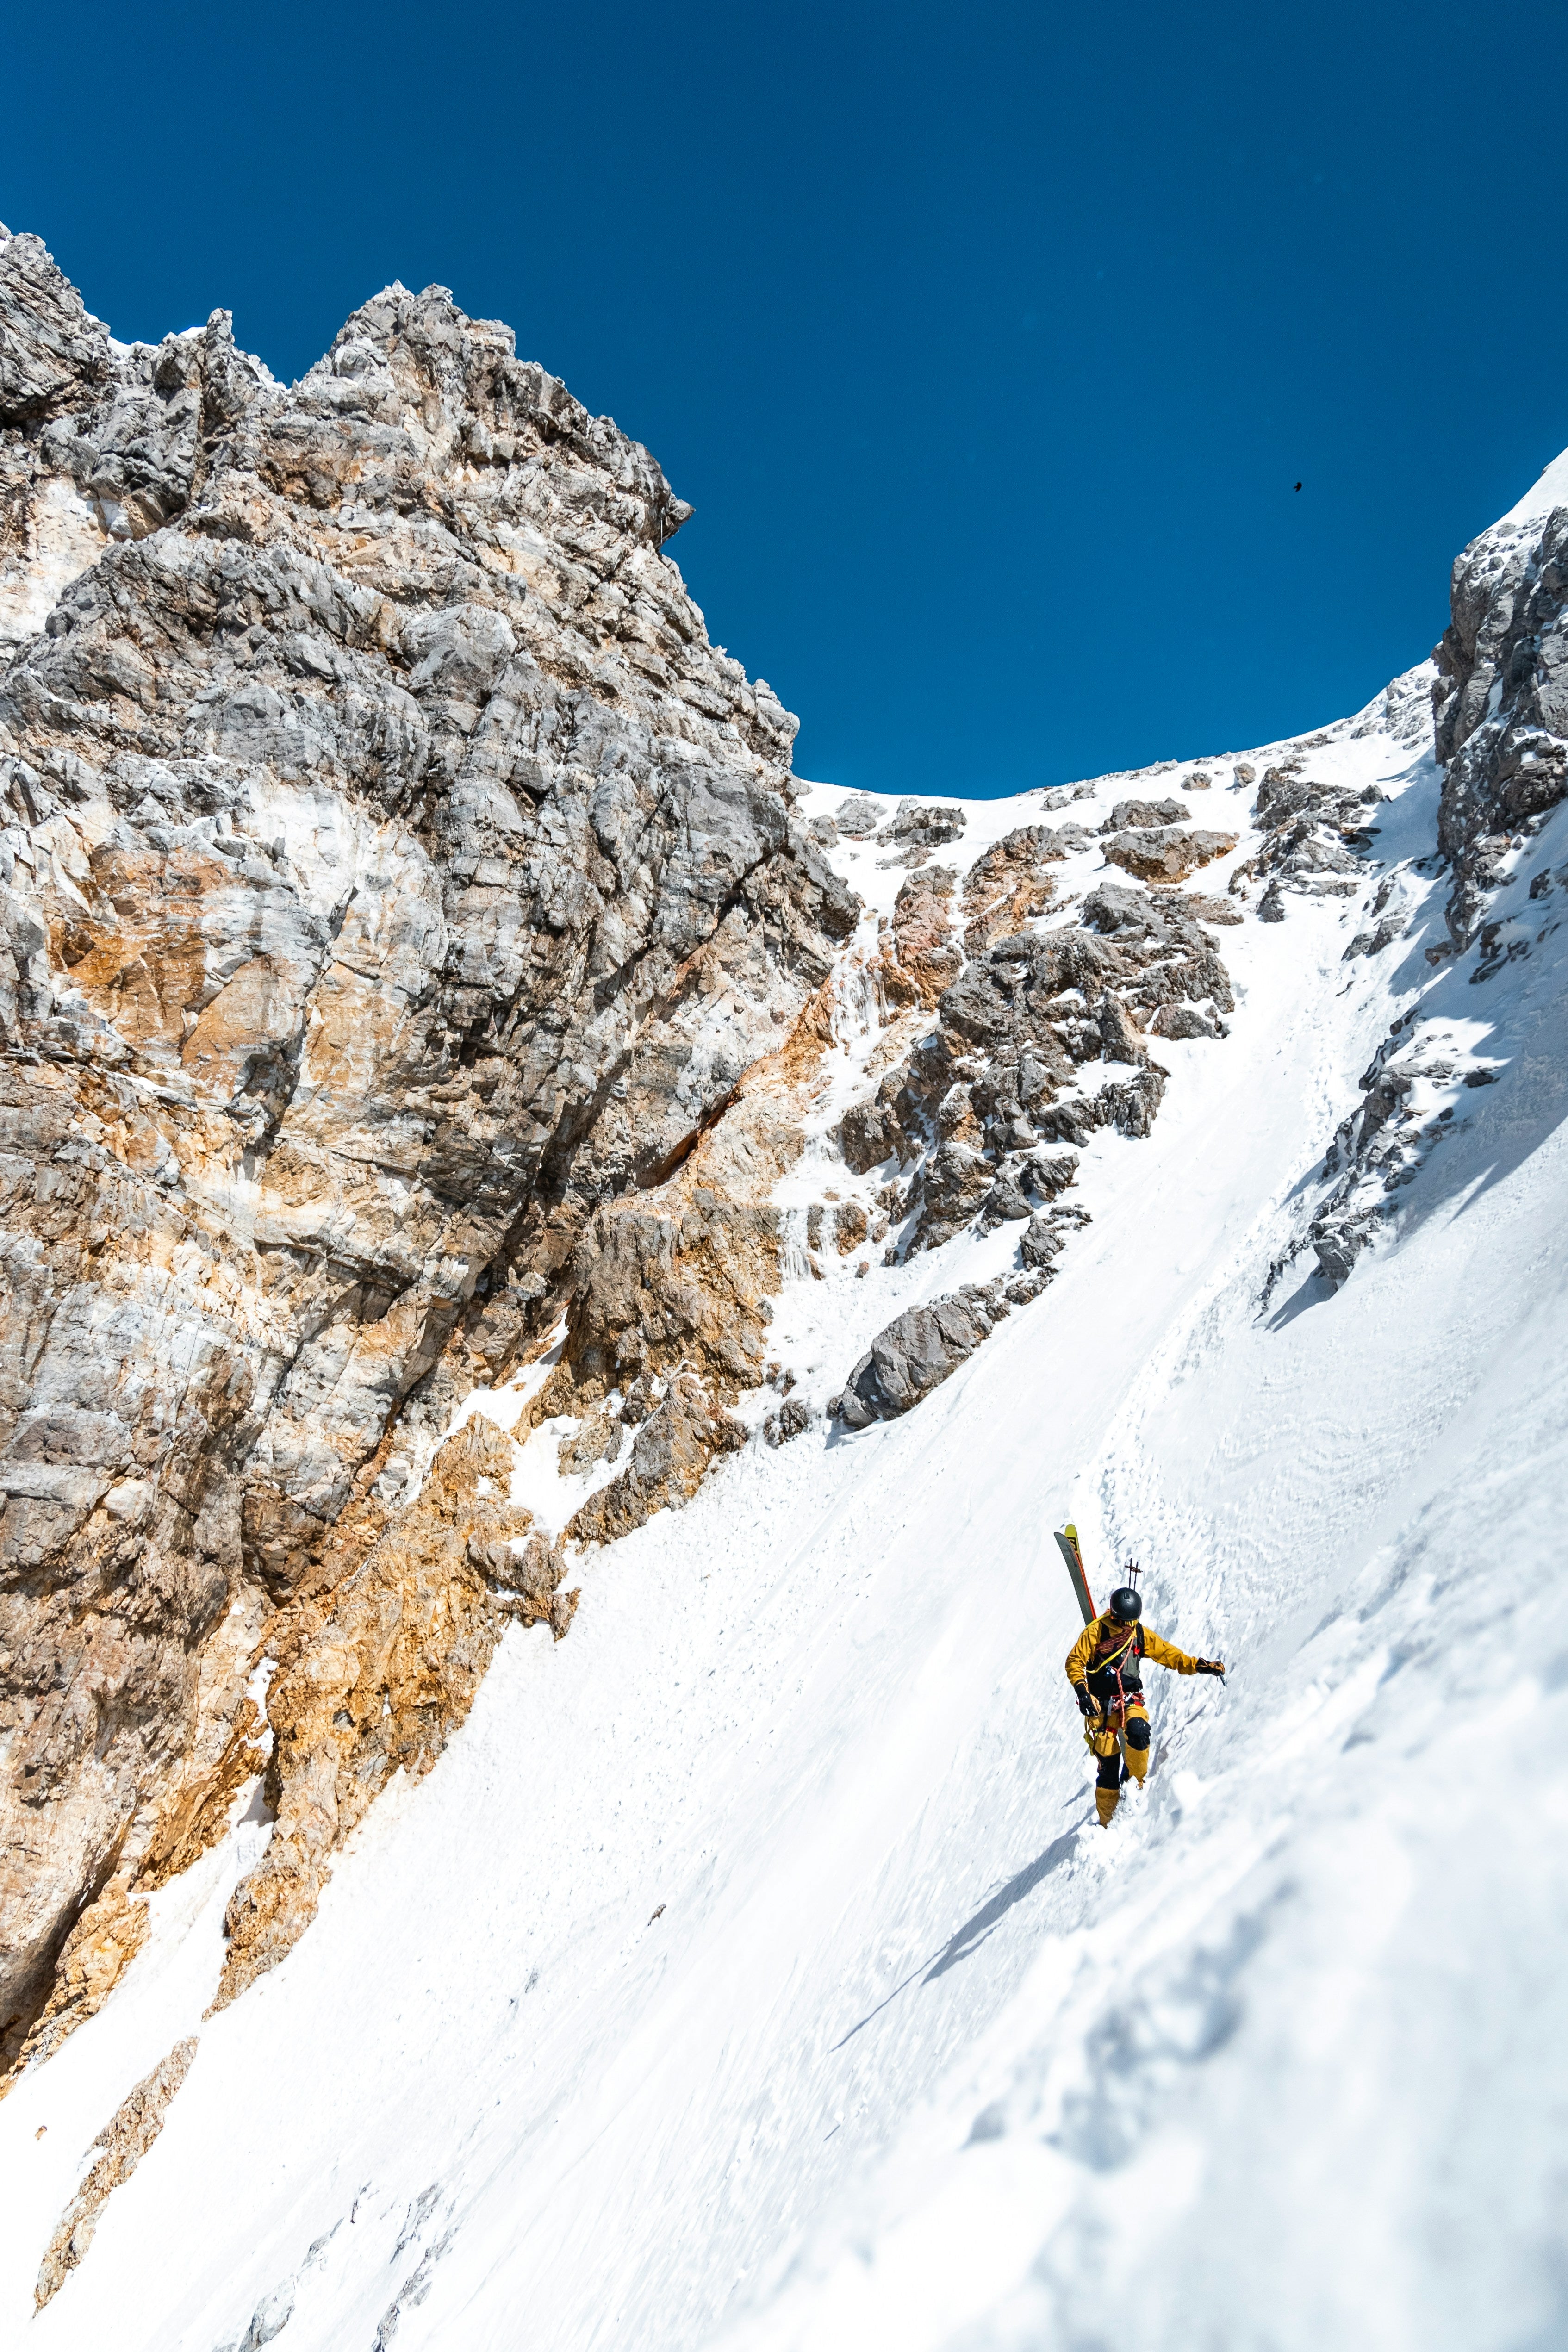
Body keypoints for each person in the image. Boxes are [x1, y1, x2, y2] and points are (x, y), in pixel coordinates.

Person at [1065, 1584, 1226, 1825]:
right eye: (1123, 1622)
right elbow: (1075, 1661)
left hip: (1129, 1699)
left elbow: (1169, 1654)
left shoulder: (1139, 1634)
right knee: (1108, 1770)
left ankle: (1135, 1784)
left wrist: (1198, 1665)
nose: (1127, 1627)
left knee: (1139, 1731)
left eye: (1131, 1622)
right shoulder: (1096, 1632)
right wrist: (1083, 1691)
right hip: (1102, 1709)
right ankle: (1107, 1822)